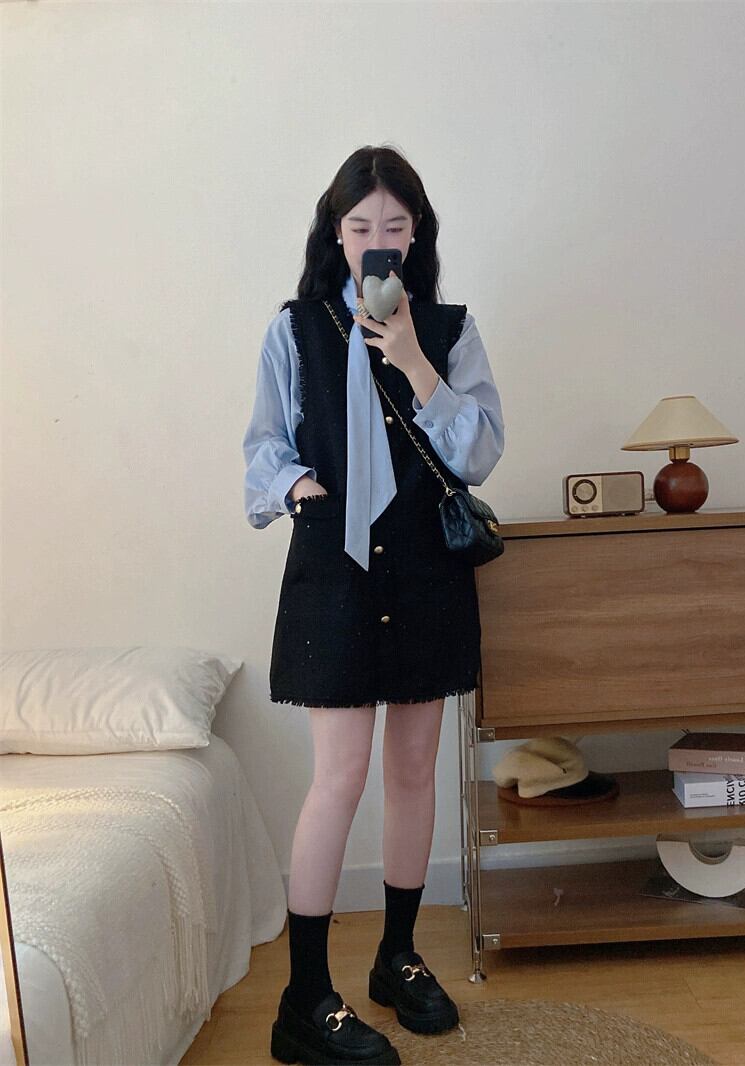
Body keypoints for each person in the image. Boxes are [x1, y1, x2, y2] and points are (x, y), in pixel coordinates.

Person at [242, 144, 505, 1065]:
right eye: (360, 227)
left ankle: (397, 956)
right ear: (336, 232)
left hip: (426, 568)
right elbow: (263, 446)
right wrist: (298, 486)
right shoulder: (295, 328)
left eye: (394, 226)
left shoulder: (450, 329)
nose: (376, 242)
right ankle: (304, 996)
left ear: (416, 233)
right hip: (336, 569)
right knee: (340, 776)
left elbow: (480, 452)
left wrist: (418, 365)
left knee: (414, 769)